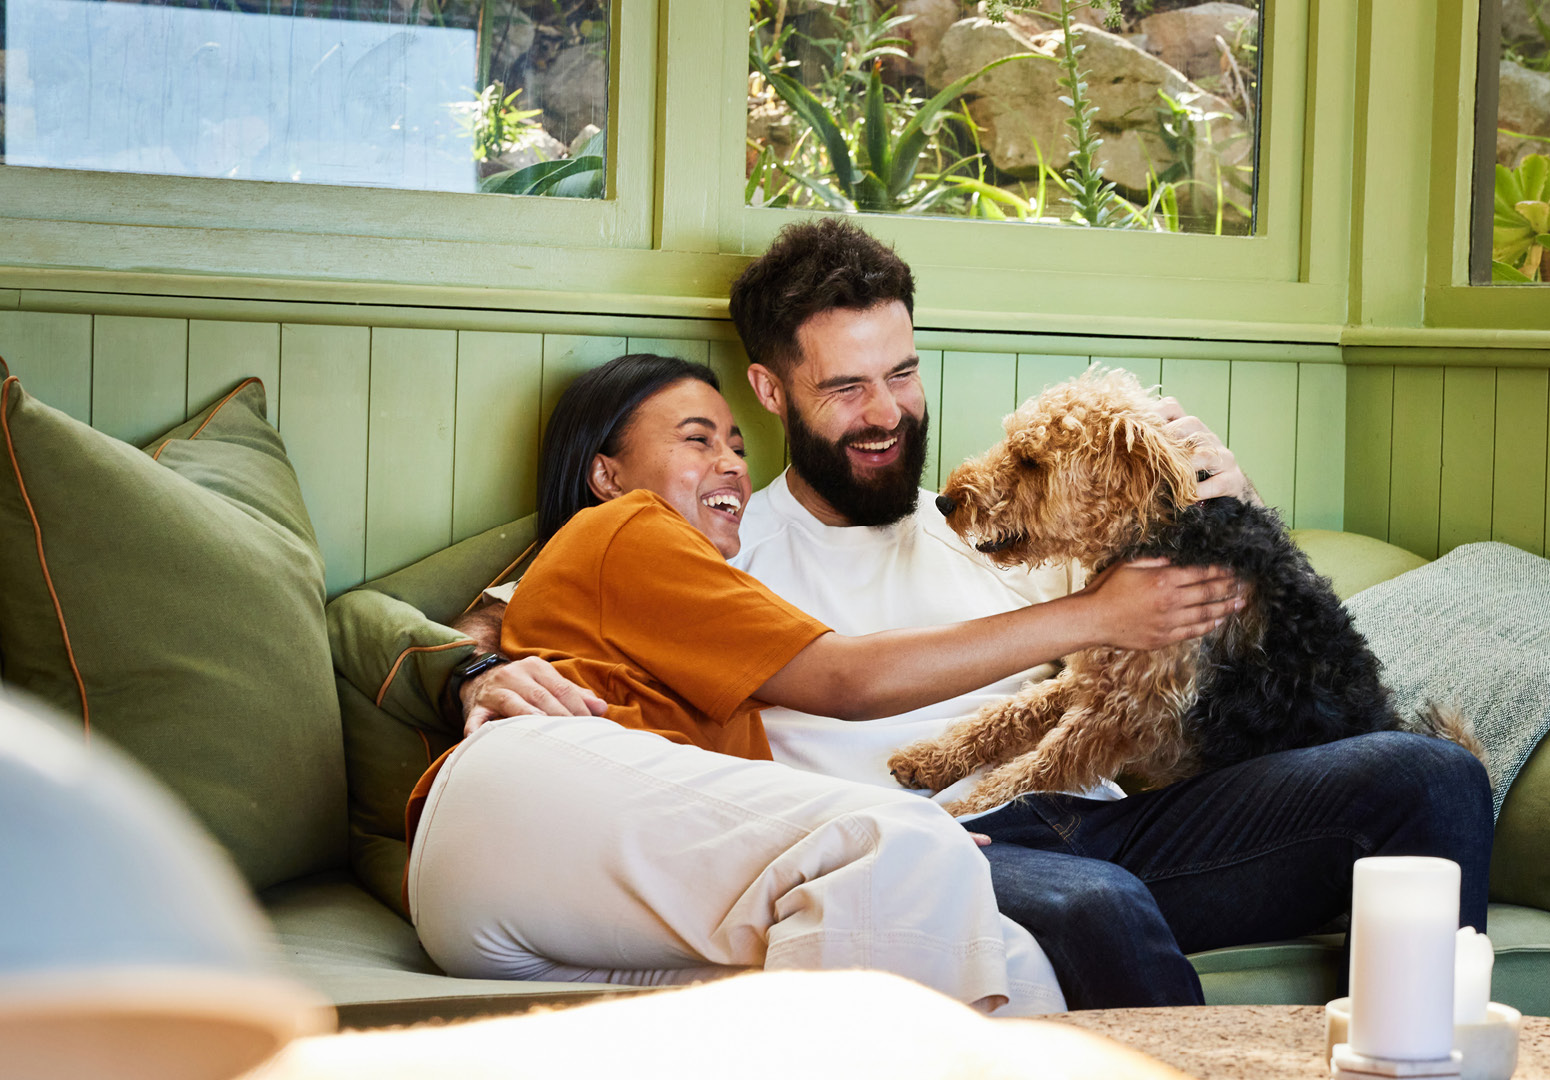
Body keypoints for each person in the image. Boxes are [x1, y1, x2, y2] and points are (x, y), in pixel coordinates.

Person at [459, 219, 1494, 1010]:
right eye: (847, 388)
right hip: (934, 853)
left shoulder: (1005, 522)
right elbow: (500, 615)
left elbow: (1224, 642)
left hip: (1108, 820)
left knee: (1433, 779)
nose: (886, 413)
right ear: (772, 393)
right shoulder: (716, 537)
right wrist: (473, 671)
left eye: (903, 374)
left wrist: (1226, 507)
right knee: (1099, 909)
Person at [406, 352, 1245, 1016]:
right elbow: (842, 677)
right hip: (527, 812)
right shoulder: (627, 528)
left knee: (1014, 965)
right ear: (606, 476)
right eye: (696, 439)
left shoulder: (680, 593)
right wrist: (470, 670)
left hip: (553, 902)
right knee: (903, 843)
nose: (731, 464)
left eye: (735, 444)